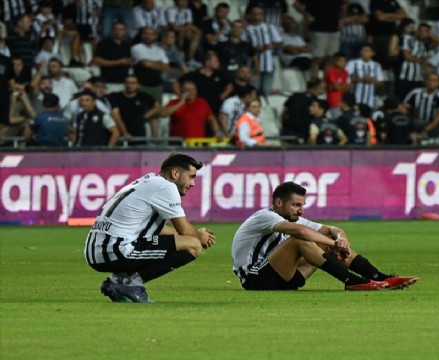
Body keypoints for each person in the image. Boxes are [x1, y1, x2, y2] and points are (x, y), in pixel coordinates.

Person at [231, 181, 419, 290]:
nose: (301, 210)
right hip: (255, 278)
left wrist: (340, 240)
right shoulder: (264, 216)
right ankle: (352, 282)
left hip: (287, 277)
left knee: (326, 241)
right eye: (296, 205)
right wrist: (334, 243)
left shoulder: (294, 219)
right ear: (279, 202)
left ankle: (381, 277)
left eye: (302, 205)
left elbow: (332, 229)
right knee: (301, 239)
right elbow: (303, 233)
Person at [85, 153, 216, 303]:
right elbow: (185, 231)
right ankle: (129, 283)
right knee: (193, 245)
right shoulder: (166, 187)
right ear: (175, 173)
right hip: (115, 251)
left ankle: (119, 281)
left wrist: (191, 236)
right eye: (191, 177)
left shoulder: (148, 182)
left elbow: (159, 230)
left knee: (187, 241)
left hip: (97, 251)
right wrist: (200, 236)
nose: (193, 183)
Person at [293, 0, 343, 79]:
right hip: (318, 29)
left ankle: (328, 83)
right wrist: (307, 15)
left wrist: (341, 18)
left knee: (331, 58)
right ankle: (314, 82)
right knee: (317, 58)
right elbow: (296, 4)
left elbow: (344, 4)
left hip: (334, 29)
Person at [243, 6, 282, 98]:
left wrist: (270, 46)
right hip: (253, 65)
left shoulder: (269, 27)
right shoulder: (247, 29)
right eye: (255, 14)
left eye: (260, 14)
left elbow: (279, 42)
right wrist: (255, 48)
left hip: (268, 64)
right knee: (253, 90)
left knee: (266, 91)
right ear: (250, 15)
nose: (257, 16)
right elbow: (243, 45)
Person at [109, 74, 160, 142]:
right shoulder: (116, 96)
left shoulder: (143, 96)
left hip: (139, 135)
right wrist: (124, 132)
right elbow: (116, 115)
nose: (129, 85)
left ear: (138, 85)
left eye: (132, 83)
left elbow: (158, 106)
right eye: (127, 83)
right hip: (121, 135)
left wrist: (147, 115)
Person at [403, 72, 439, 141]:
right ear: (425, 81)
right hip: (416, 124)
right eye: (429, 80)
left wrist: (425, 130)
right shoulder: (415, 93)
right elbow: (404, 109)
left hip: (433, 126)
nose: (431, 82)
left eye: (434, 81)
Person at [131, 27, 170, 104]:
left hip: (157, 85)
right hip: (142, 85)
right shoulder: (136, 48)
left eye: (151, 34)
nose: (148, 36)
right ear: (142, 35)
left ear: (155, 36)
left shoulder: (160, 50)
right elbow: (145, 64)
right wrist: (159, 63)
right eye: (146, 34)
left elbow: (166, 67)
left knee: (157, 111)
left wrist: (151, 63)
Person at [92, 21, 132, 93]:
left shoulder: (127, 45)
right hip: (108, 82)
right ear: (112, 30)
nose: (118, 32)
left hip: (124, 82)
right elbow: (97, 60)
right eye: (116, 29)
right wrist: (119, 62)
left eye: (121, 30)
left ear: (125, 31)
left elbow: (131, 60)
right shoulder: (104, 43)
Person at [346, 44, 384, 114]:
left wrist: (372, 81)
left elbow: (381, 82)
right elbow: (346, 78)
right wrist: (360, 80)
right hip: (355, 98)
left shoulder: (376, 65)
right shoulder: (353, 63)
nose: (365, 53)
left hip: (369, 100)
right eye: (363, 51)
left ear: (373, 53)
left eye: (367, 51)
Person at [325, 52, 351, 117]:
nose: (342, 63)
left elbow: (348, 87)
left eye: (343, 61)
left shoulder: (345, 72)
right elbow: (336, 87)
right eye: (339, 61)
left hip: (342, 102)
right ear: (334, 61)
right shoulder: (331, 71)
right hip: (333, 101)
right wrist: (343, 86)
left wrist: (340, 86)